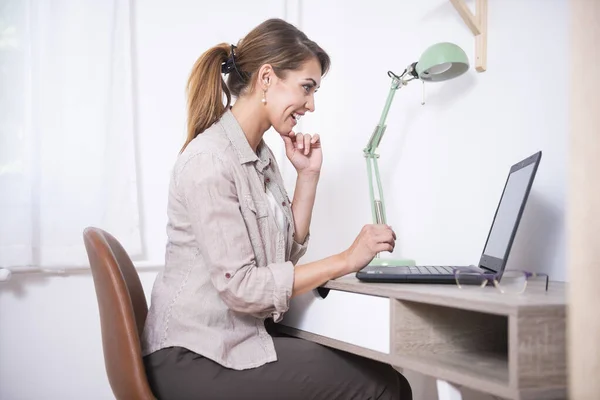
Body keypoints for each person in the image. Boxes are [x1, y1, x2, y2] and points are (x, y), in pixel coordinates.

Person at [141, 18, 412, 400]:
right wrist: (348, 258)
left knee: (387, 378)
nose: (311, 104)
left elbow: (278, 261)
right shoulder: (210, 161)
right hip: (194, 356)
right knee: (383, 387)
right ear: (267, 78)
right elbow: (244, 288)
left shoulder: (259, 156)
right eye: (306, 87)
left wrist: (307, 177)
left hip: (233, 342)